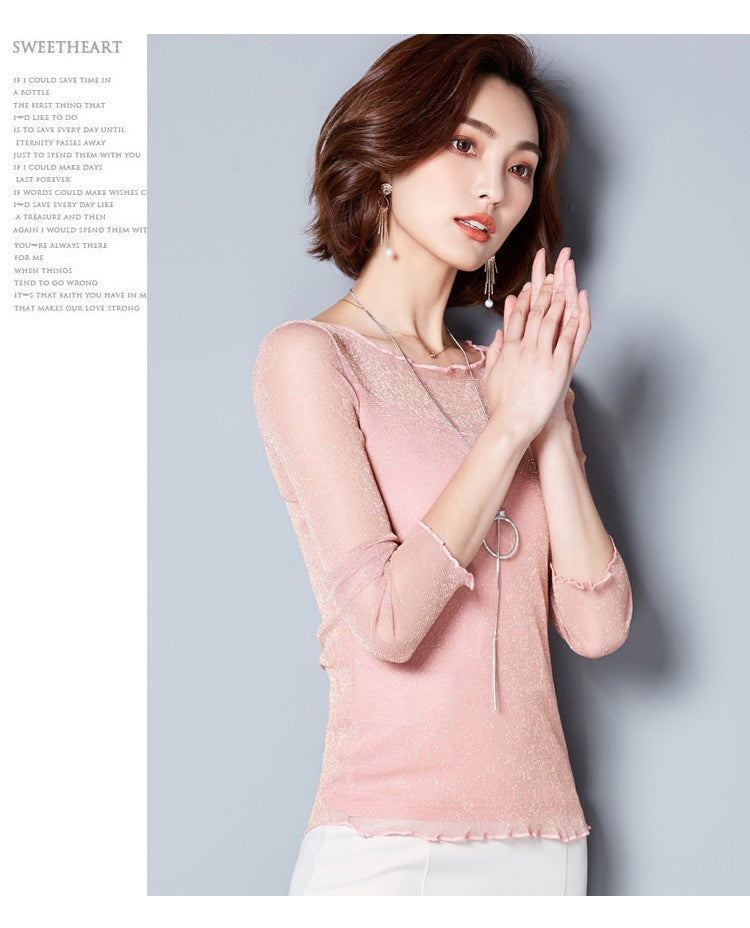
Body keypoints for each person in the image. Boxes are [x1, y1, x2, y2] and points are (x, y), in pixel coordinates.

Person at [251, 34, 633, 896]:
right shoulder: (310, 359)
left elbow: (598, 626)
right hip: (387, 845)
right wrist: (508, 429)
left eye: (520, 167)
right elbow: (387, 622)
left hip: (546, 846)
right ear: (388, 153)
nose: (494, 188)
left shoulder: (520, 377)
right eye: (465, 144)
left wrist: (544, 417)